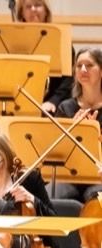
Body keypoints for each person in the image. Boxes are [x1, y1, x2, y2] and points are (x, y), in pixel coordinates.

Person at [52, 48, 102, 202]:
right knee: (50, 194)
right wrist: (74, 129)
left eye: (89, 65)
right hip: (70, 175)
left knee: (96, 199)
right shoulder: (65, 107)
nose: (83, 70)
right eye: (79, 66)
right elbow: (57, 149)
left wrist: (94, 134)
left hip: (99, 176)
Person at [15, 0, 72, 114]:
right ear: (22, 13)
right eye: (28, 6)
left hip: (51, 104)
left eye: (37, 5)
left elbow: (68, 80)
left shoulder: (61, 40)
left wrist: (53, 101)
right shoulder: (14, 41)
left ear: (46, 11)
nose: (33, 9)